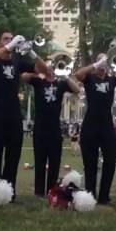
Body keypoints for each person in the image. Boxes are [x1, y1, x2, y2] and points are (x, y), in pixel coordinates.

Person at [0, 31, 48, 194]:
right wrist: (10, 46)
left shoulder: (18, 62)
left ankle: (8, 192)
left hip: (13, 113)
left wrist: (32, 52)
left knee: (13, 154)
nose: (10, 41)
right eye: (6, 39)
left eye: (12, 39)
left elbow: (44, 69)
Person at [21, 61, 77, 197]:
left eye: (53, 66)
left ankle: (52, 191)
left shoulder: (61, 84)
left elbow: (77, 89)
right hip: (40, 127)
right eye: (49, 66)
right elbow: (23, 77)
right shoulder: (38, 82)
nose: (51, 69)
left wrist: (65, 75)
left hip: (55, 129)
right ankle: (39, 192)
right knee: (40, 162)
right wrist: (40, 70)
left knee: (55, 162)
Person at [73, 52, 116, 204]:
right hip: (90, 123)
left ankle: (104, 196)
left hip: (107, 123)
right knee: (90, 162)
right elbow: (77, 74)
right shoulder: (89, 78)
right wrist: (95, 65)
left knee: (110, 160)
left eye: (105, 62)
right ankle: (90, 194)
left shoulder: (112, 79)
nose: (103, 65)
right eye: (100, 61)